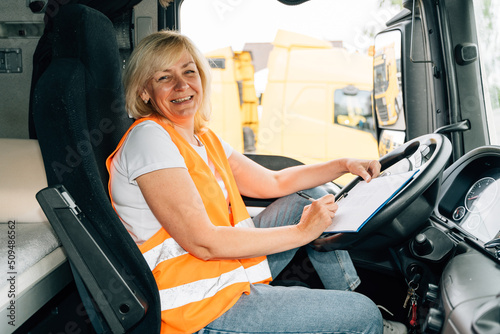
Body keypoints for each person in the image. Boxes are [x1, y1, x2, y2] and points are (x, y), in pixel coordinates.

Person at [107, 30, 406, 334]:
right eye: (164, 78)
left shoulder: (202, 138)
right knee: (364, 315)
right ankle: (361, 322)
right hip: (196, 306)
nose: (182, 85)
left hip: (223, 273)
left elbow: (273, 183)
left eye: (188, 71)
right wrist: (303, 231)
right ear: (144, 91)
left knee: (311, 197)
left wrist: (344, 165)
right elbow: (203, 242)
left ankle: (347, 305)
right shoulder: (149, 139)